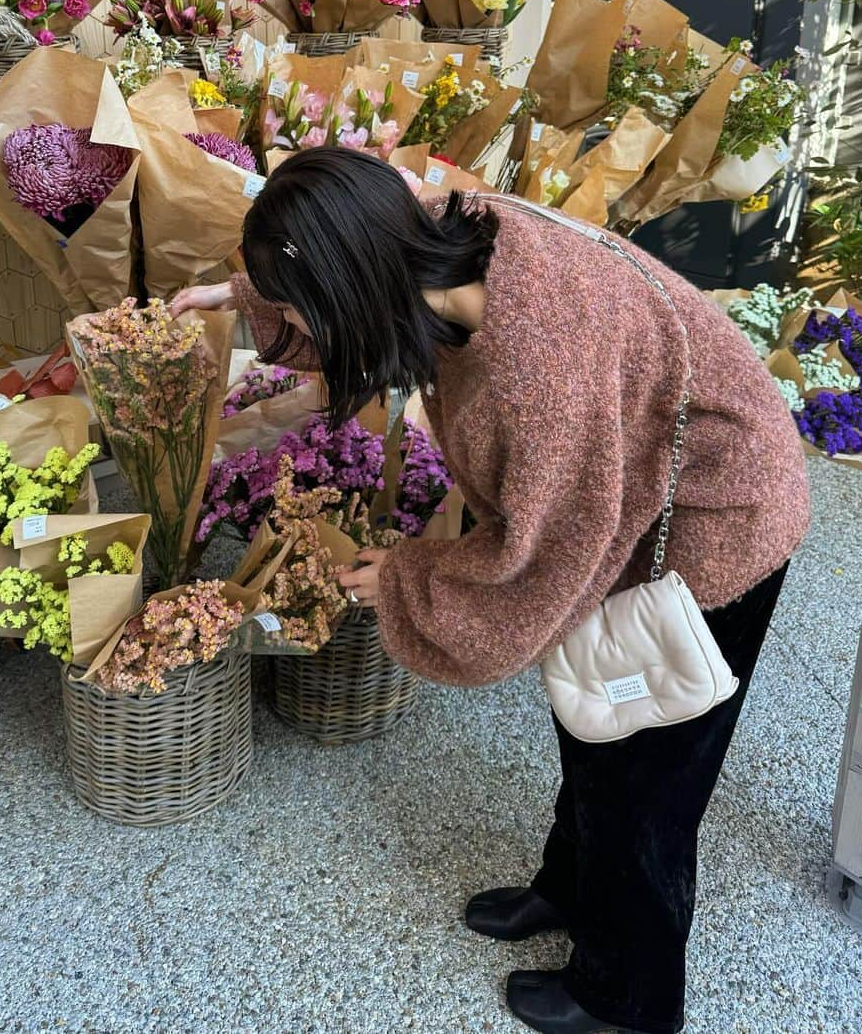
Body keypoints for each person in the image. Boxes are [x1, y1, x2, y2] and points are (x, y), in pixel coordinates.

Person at [171, 147, 810, 1034]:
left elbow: (535, 566)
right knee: (590, 717)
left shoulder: (533, 369)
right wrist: (242, 301)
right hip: (631, 476)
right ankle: (571, 889)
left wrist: (402, 577)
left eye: (297, 314)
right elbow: (352, 262)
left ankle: (627, 997)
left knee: (648, 774)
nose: (296, 327)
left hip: (715, 509)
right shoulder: (433, 230)